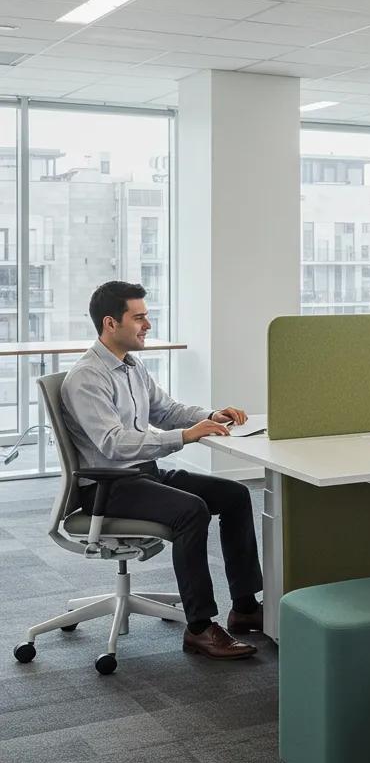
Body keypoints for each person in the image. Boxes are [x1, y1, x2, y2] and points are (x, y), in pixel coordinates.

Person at [61, 281, 263, 660]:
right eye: (139, 318)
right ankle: (199, 628)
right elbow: (113, 444)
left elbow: (166, 410)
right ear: (110, 323)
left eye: (147, 316)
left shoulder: (130, 366)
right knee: (191, 511)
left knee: (235, 495)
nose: (148, 325)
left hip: (142, 474)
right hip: (109, 486)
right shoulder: (87, 377)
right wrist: (185, 437)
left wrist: (210, 415)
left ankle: (245, 607)